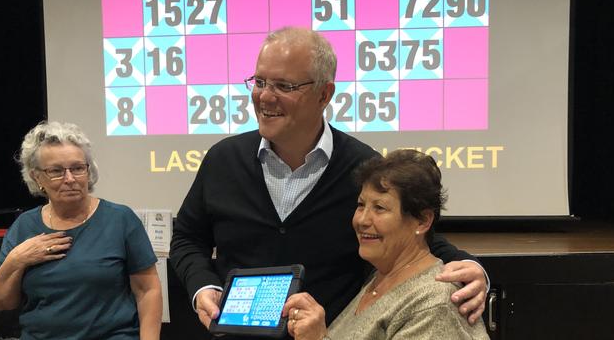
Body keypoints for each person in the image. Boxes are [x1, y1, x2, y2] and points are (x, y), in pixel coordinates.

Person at [170, 27, 487, 336]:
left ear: (324, 94)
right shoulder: (223, 160)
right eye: (260, 81)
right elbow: (187, 236)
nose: (265, 96)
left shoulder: (363, 168)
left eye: (284, 86)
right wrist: (203, 286)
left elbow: (413, 235)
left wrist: (473, 269)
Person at [283, 150, 489, 340]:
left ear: (422, 221)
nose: (362, 220)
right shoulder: (379, 278)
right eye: (361, 205)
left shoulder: (433, 304)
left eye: (379, 208)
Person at [0, 121, 162, 340]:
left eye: (78, 168)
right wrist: (16, 259)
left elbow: (148, 291)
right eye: (56, 171)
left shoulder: (120, 219)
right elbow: (2, 302)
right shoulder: (24, 226)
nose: (70, 179)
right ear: (36, 177)